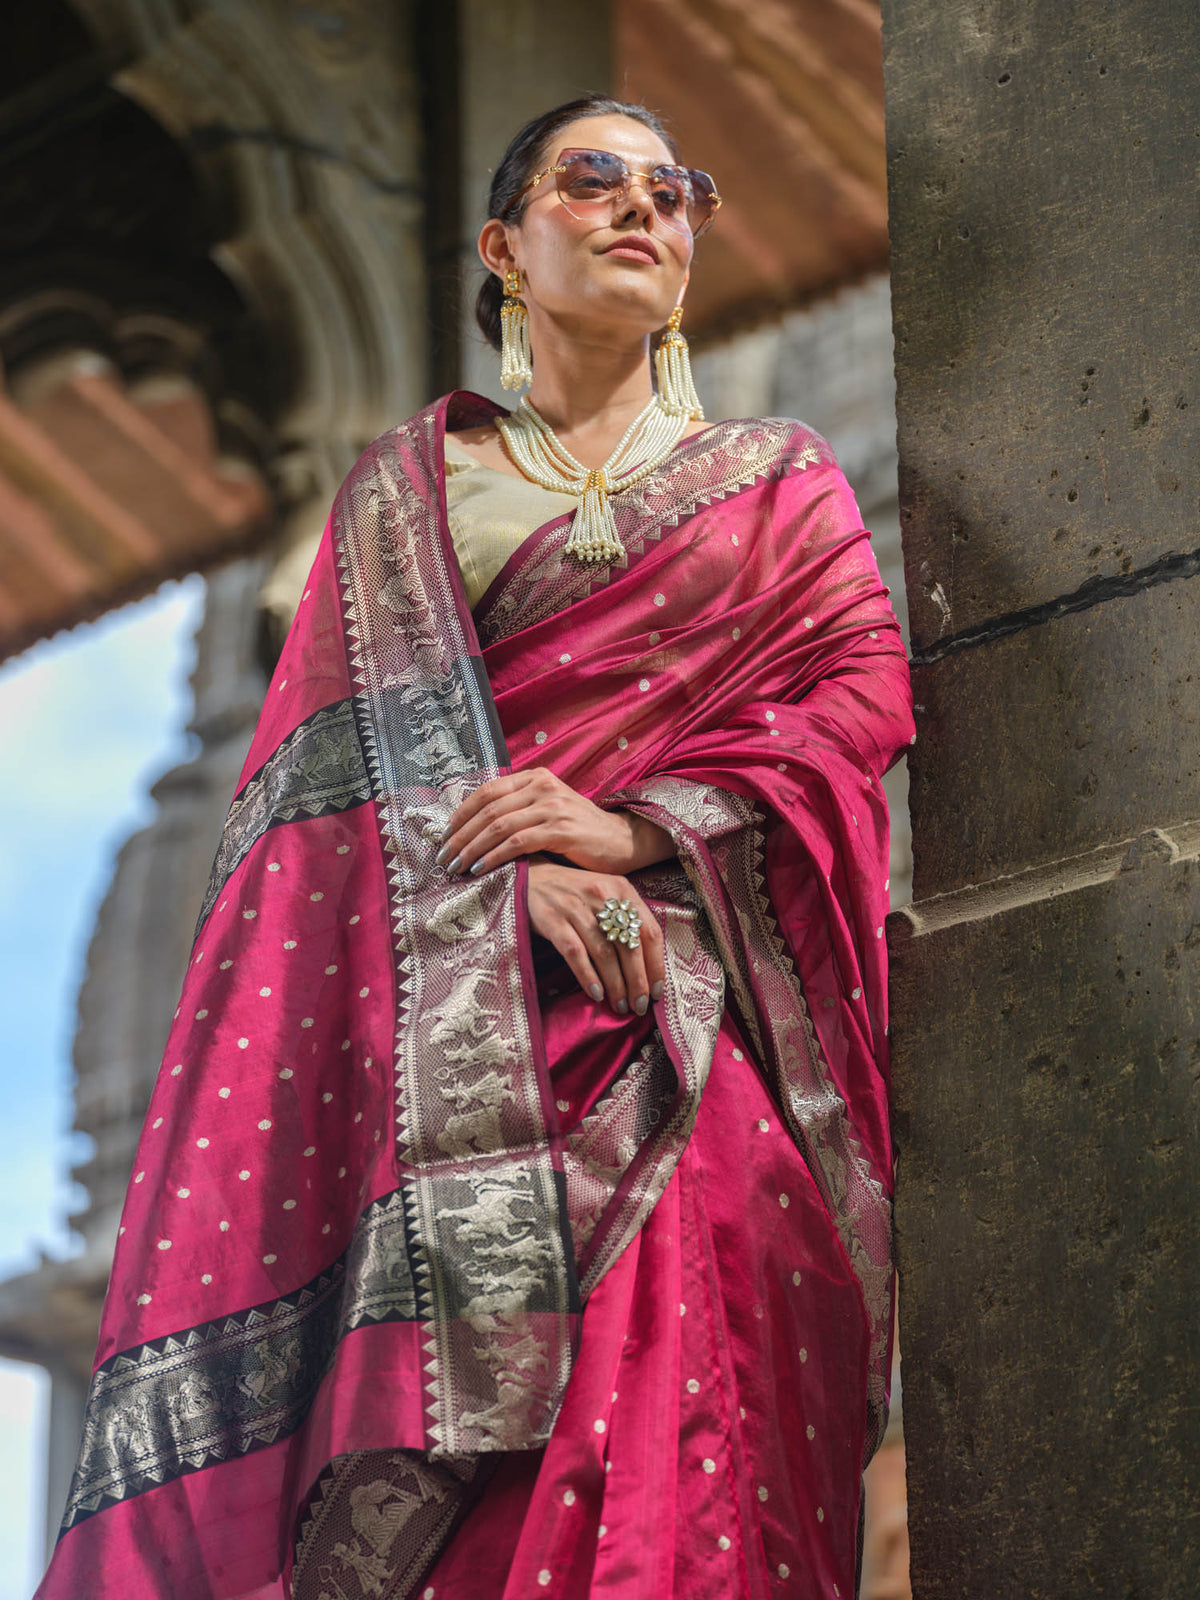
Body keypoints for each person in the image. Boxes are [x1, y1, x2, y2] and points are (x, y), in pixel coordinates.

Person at [36, 93, 913, 1600]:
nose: (648, 209)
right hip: (446, 1081)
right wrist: (511, 868)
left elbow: (859, 694)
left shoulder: (780, 484)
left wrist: (635, 824)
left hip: (679, 1043)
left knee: (698, 1452)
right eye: (597, 182)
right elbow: (310, 823)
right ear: (506, 247)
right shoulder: (408, 495)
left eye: (674, 189)